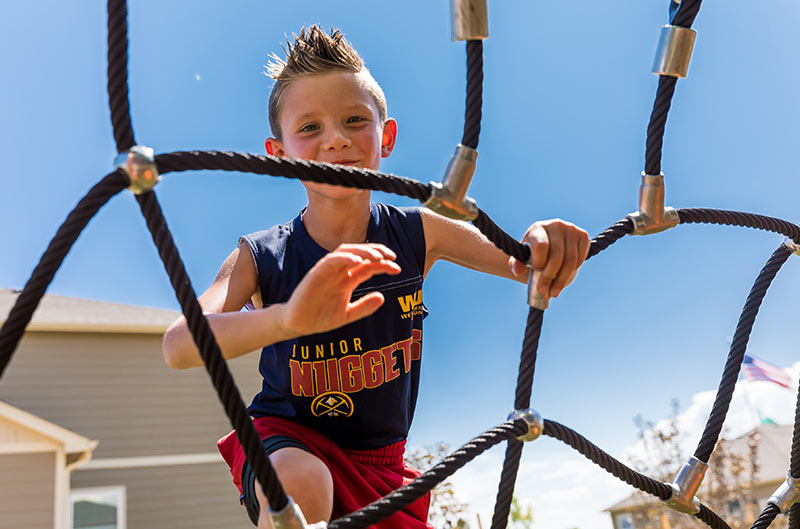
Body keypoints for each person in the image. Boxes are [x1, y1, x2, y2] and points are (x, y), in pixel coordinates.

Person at [162, 25, 590, 529]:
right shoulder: (262, 254)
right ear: (278, 156)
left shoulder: (418, 232)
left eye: (353, 120)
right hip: (285, 440)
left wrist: (544, 239)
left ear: (385, 137)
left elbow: (523, 263)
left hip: (381, 465)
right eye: (309, 128)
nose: (336, 139)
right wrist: (287, 319)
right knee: (303, 484)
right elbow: (179, 344)